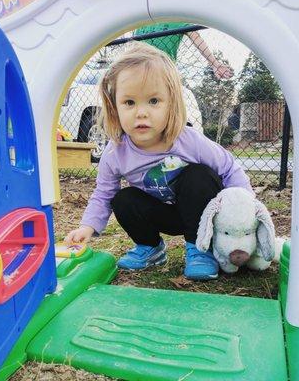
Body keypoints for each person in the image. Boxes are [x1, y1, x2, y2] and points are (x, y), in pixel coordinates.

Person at [65, 42, 252, 281]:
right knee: (122, 199)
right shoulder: (116, 151)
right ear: (114, 107)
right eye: (129, 102)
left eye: (153, 101)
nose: (141, 112)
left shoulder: (187, 140)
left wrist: (247, 210)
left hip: (201, 213)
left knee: (199, 176)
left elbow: (228, 168)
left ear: (171, 103)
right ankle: (150, 247)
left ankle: (200, 249)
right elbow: (102, 193)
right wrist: (87, 227)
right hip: (165, 214)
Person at [134, 22, 234, 80]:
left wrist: (214, 63)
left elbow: (196, 37)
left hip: (164, 71)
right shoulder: (142, 23)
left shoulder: (177, 19)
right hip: (140, 71)